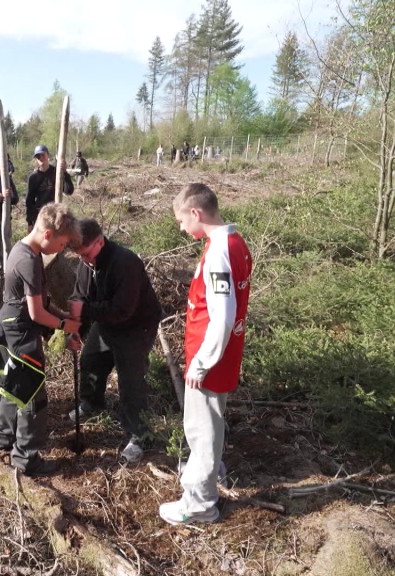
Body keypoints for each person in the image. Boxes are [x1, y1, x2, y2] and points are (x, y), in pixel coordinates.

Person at [159, 183, 252, 526]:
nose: (182, 228)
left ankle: (199, 503)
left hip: (210, 361)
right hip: (219, 357)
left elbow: (223, 316)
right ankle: (210, 471)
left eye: (182, 220)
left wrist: (201, 361)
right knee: (210, 423)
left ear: (196, 213)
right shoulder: (234, 244)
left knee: (201, 428)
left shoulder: (218, 254)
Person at [0, 203, 82, 476]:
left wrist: (62, 317)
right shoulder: (28, 259)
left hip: (16, 324)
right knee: (33, 395)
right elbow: (36, 313)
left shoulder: (27, 251)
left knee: (15, 386)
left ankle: (1, 439)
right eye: (62, 244)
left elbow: (41, 302)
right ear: (47, 234)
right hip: (20, 331)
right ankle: (26, 457)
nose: (62, 250)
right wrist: (62, 324)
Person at [66, 219, 162, 463]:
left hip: (136, 325)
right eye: (78, 254)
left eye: (85, 253)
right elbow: (80, 296)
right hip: (106, 321)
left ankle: (139, 435)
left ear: (100, 241)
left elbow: (122, 310)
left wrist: (85, 310)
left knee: (130, 380)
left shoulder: (125, 262)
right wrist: (76, 328)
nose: (82, 259)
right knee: (90, 360)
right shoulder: (85, 263)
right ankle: (93, 402)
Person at [26, 144, 74, 229]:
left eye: (42, 155)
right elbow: (29, 201)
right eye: (38, 156)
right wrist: (30, 222)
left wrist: (65, 172)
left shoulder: (57, 172)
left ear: (48, 155)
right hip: (41, 215)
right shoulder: (33, 177)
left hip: (56, 214)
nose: (40, 158)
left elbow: (69, 191)